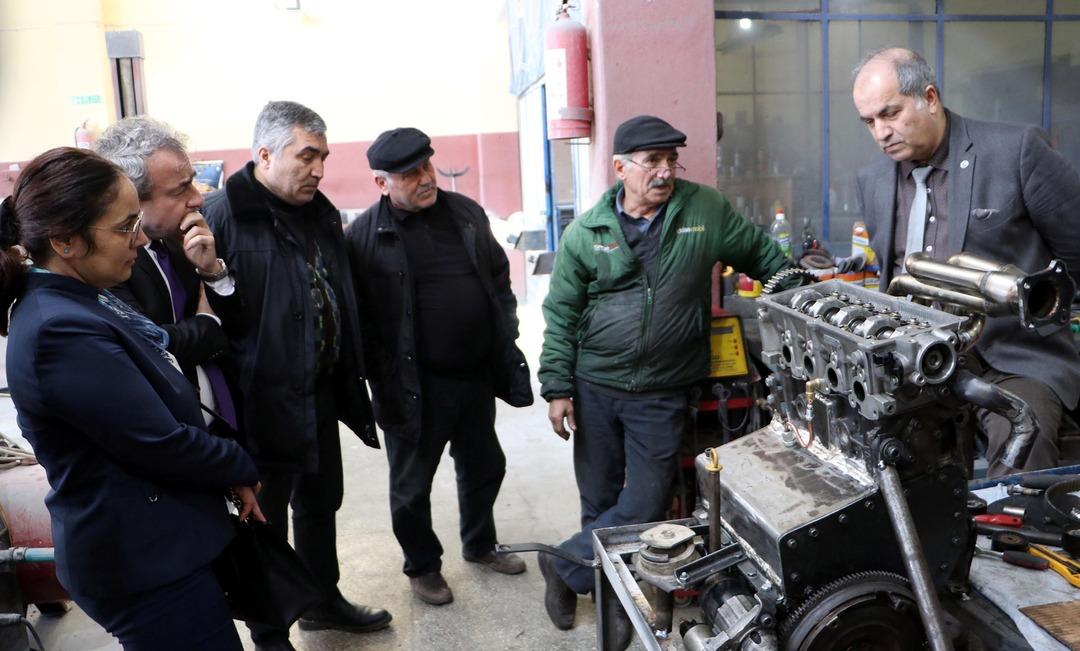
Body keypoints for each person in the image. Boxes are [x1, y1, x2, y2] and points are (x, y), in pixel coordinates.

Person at [536, 115, 794, 634]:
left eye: (672, 159)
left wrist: (799, 282)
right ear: (620, 169)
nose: (665, 171)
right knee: (600, 496)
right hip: (596, 385)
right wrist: (558, 386)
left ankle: (564, 566)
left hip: (664, 387)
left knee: (647, 503)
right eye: (652, 161)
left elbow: (763, 254)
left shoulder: (705, 208)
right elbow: (561, 313)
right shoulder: (587, 231)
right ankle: (614, 601)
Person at [0, 147, 263, 650]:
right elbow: (157, 441)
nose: (140, 240)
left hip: (155, 542)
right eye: (125, 227)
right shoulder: (61, 329)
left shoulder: (85, 298)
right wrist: (238, 464)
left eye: (138, 222)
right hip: (139, 560)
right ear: (65, 241)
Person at [201, 101, 390, 651]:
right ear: (264, 154)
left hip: (320, 392)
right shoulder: (221, 217)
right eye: (307, 156)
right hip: (261, 401)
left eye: (323, 157)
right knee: (266, 515)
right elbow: (209, 316)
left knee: (320, 501)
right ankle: (270, 629)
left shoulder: (320, 213)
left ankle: (322, 602)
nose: (318, 170)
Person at [851, 47, 1080, 477]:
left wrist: (1043, 308)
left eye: (891, 113)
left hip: (1011, 360)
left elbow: (1076, 253)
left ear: (931, 98)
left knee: (1021, 454)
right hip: (918, 365)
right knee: (872, 463)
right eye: (870, 122)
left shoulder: (1016, 151)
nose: (881, 132)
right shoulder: (874, 182)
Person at [344, 127, 533, 606]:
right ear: (381, 182)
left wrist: (504, 328)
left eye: (427, 166)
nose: (425, 178)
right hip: (412, 385)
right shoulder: (364, 237)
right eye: (410, 174)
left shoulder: (465, 213)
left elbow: (496, 275)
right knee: (411, 486)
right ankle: (423, 567)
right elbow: (359, 317)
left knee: (484, 465)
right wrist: (381, 372)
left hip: (473, 376)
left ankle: (480, 543)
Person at [94, 117, 243, 440]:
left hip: (224, 422)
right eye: (180, 190)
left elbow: (240, 327)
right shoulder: (109, 263)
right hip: (177, 434)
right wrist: (208, 320)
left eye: (193, 182)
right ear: (132, 198)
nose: (197, 199)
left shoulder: (183, 240)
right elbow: (157, 349)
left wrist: (212, 272)